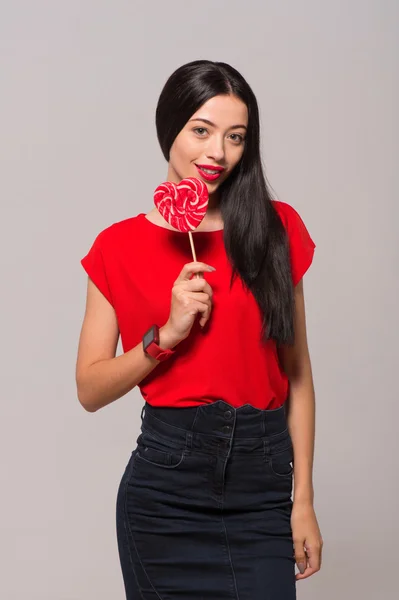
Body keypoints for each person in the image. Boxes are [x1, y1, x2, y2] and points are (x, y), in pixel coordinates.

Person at [76, 59, 323, 599]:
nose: (218, 153)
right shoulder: (116, 247)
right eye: (201, 131)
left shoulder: (276, 228)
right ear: (171, 128)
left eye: (236, 137)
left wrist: (301, 500)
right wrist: (164, 336)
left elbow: (298, 378)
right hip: (165, 492)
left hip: (262, 483)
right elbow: (89, 389)